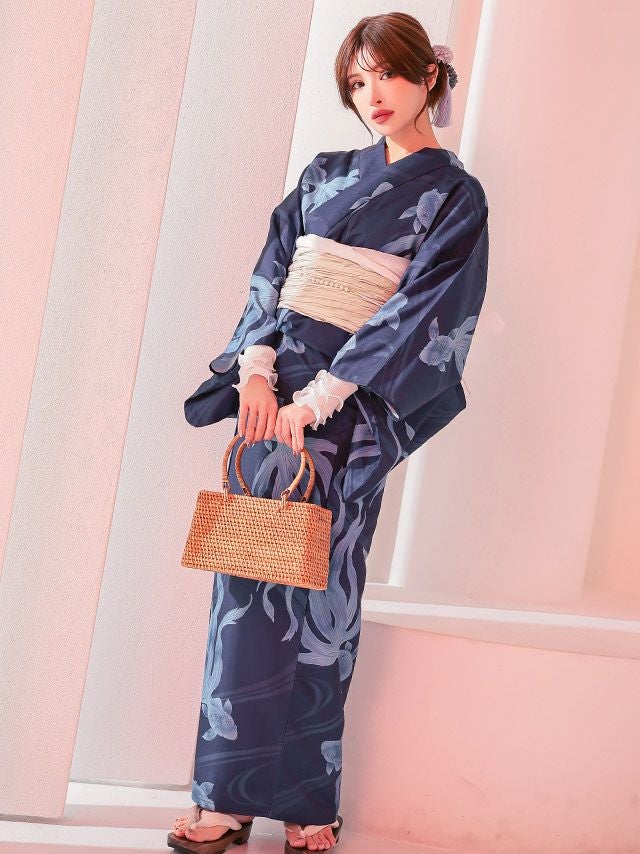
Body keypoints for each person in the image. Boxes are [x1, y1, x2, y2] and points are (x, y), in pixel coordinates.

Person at [170, 11, 489, 854]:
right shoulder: (323, 175)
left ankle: (309, 802)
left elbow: (425, 312)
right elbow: (272, 272)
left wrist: (319, 400)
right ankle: (224, 799)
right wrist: (257, 372)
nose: (371, 94)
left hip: (347, 413)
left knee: (323, 601)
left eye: (387, 74)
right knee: (244, 597)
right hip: (268, 410)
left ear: (427, 76)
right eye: (356, 80)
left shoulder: (455, 196)